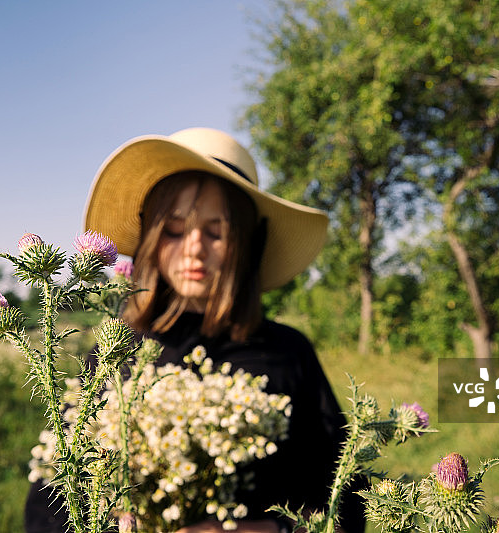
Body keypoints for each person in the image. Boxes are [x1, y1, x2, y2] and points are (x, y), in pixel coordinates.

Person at [24, 128, 366, 533]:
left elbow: (348, 502)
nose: (193, 247)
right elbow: (48, 505)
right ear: (150, 235)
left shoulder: (289, 354)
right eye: (174, 228)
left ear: (246, 241)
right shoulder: (115, 351)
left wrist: (264, 531)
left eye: (216, 230)